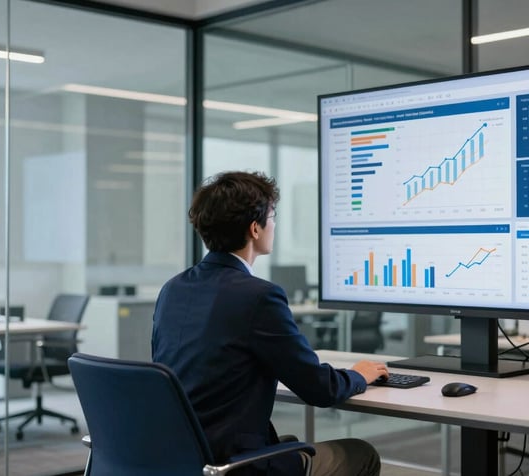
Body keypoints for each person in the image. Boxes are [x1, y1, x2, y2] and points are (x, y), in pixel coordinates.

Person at [152, 171, 388, 476]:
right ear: (255, 228)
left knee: (290, 441)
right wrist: (358, 375)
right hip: (228, 464)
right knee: (359, 453)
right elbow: (319, 390)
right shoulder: (259, 296)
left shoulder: (173, 288)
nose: (274, 225)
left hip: (178, 456)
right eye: (272, 217)